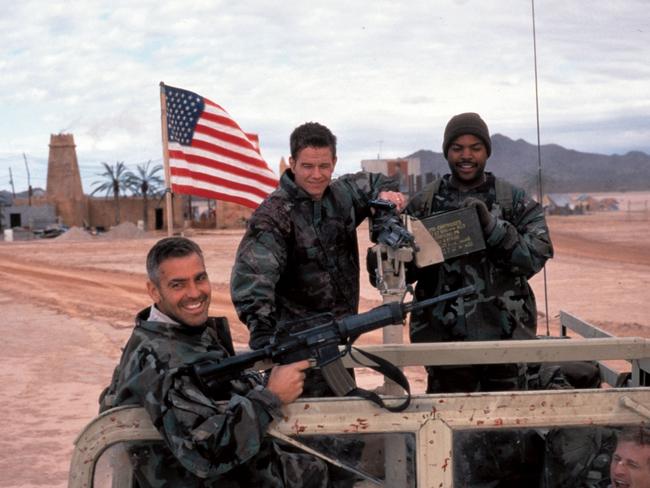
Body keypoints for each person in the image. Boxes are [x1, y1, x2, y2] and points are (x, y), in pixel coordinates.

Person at [99, 237, 328, 487]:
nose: (195, 293)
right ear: (154, 291)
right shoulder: (163, 360)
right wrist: (270, 397)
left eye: (200, 278)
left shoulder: (176, 333)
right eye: (178, 285)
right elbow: (205, 451)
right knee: (334, 469)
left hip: (238, 468)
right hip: (214, 478)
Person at [231, 121, 405, 398]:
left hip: (338, 341)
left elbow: (378, 182)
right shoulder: (274, 216)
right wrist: (266, 338)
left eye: (324, 166)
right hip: (298, 351)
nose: (316, 175)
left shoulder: (342, 196)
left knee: (341, 414)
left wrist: (385, 197)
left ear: (334, 162)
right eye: (307, 166)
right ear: (292, 163)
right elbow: (252, 280)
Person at [405, 112, 554, 393]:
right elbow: (401, 273)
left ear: (486, 151)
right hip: (444, 344)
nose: (466, 156)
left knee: (508, 427)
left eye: (475, 148)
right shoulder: (422, 204)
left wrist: (494, 228)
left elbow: (535, 256)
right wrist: (389, 259)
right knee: (448, 427)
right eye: (457, 148)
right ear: (446, 151)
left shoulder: (514, 201)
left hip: (506, 339)